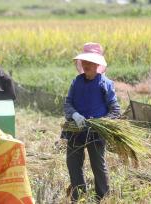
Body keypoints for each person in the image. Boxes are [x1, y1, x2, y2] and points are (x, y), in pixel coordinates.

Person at [62, 42, 121, 202]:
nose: (86, 65)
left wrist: (101, 123)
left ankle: (102, 198)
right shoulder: (76, 82)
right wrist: (74, 115)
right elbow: (67, 103)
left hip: (96, 132)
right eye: (84, 62)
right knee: (73, 164)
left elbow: (115, 110)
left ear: (97, 64)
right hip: (75, 129)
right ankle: (79, 197)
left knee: (98, 165)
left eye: (90, 62)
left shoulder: (105, 84)